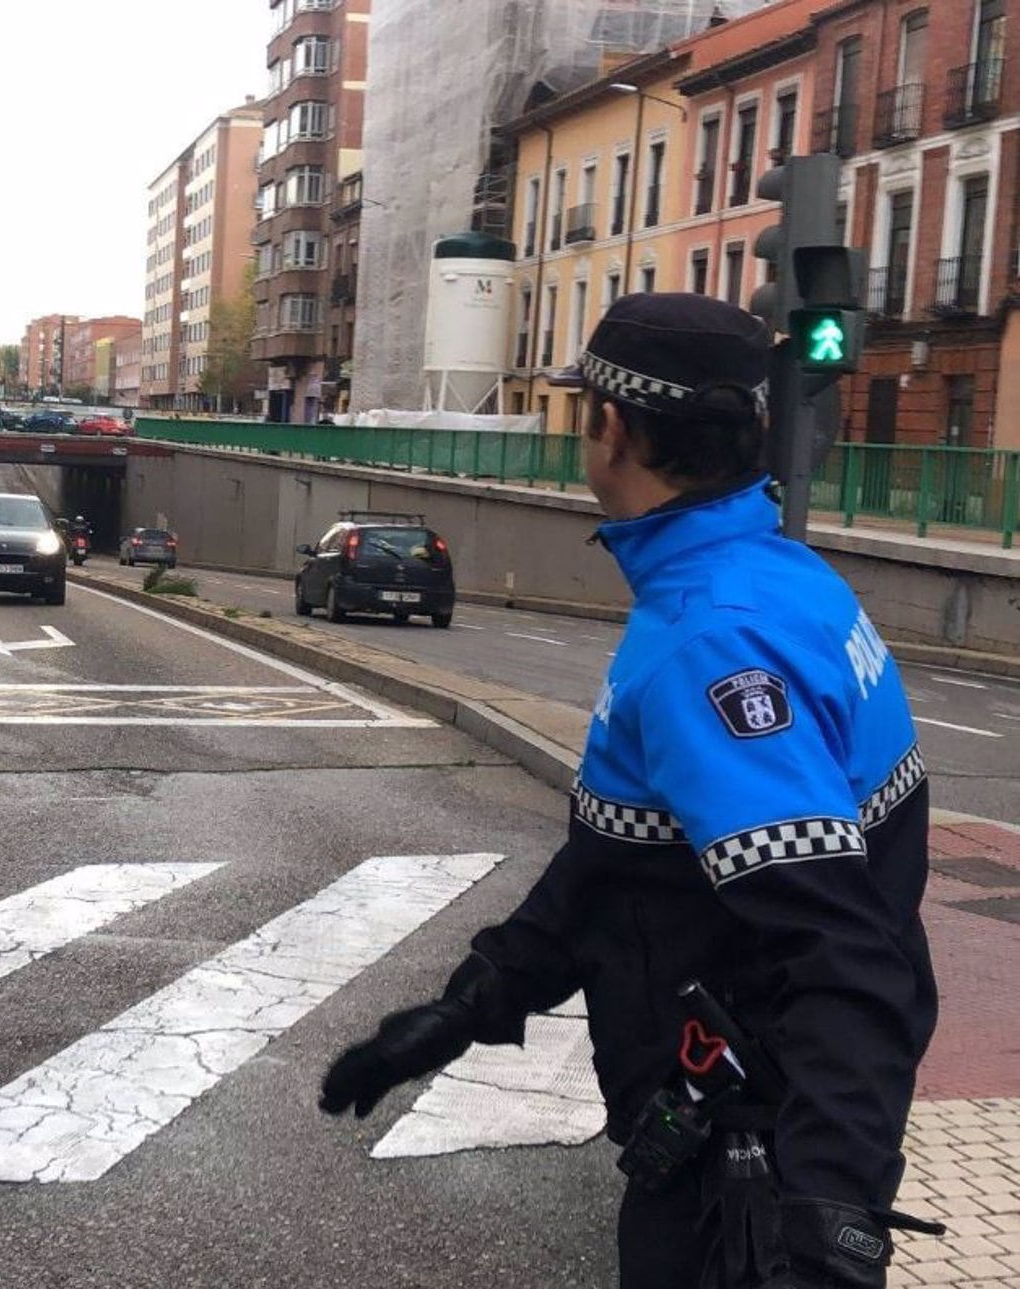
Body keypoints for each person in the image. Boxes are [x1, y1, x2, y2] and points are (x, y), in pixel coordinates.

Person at [318, 294, 937, 1289]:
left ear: (613, 427)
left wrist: (827, 1230)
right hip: (727, 1141)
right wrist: (472, 1001)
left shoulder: (712, 638)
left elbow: (845, 954)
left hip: (741, 1193)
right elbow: (623, 865)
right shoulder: (783, 574)